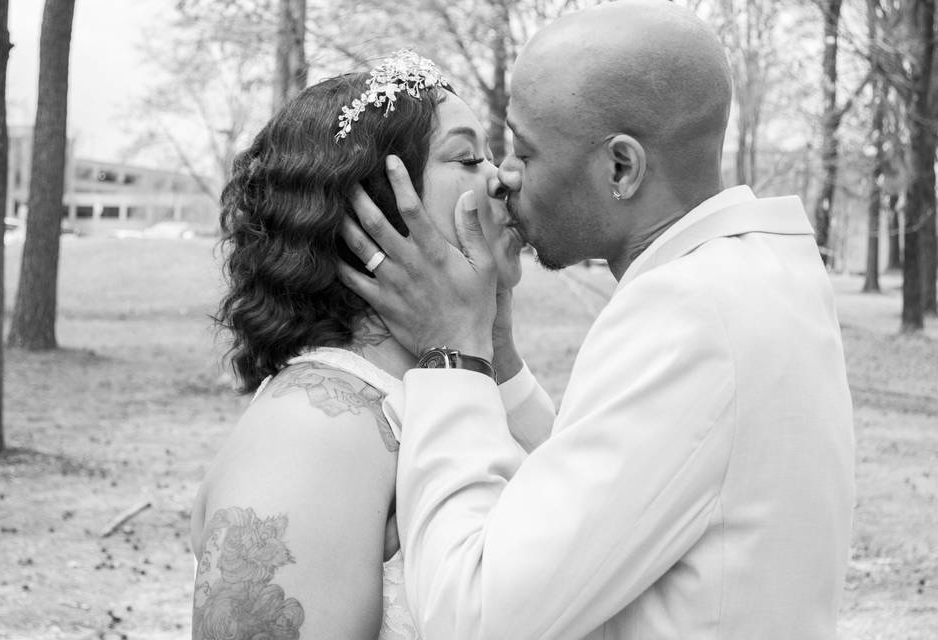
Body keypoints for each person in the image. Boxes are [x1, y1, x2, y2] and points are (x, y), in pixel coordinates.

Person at [338, 2, 856, 639]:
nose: (504, 176)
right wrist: (496, 353)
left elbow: (472, 616)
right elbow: (613, 497)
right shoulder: (759, 276)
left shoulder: (689, 315)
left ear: (622, 167)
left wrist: (454, 355)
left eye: (525, 152)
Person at [190, 51, 555, 640]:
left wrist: (488, 346)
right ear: (374, 208)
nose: (501, 178)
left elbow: (580, 515)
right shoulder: (312, 433)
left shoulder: (454, 384)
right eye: (467, 157)